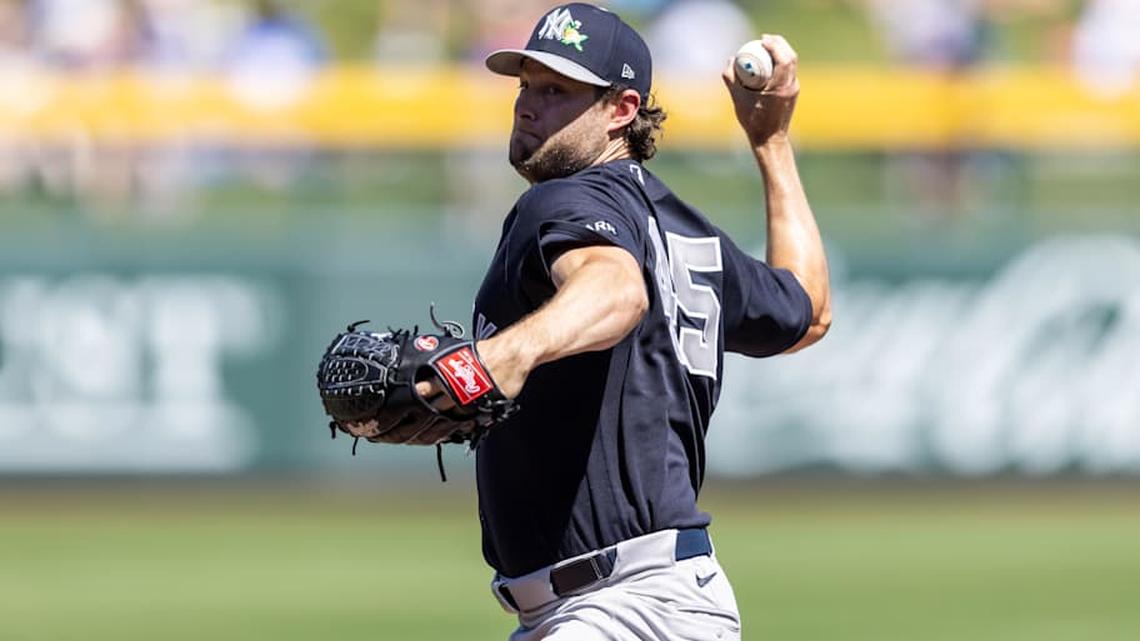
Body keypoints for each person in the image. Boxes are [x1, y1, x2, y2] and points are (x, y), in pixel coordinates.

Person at [352, 2, 830, 639]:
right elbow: (808, 310)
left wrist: (503, 358)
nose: (527, 104)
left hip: (619, 605)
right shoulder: (685, 231)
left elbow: (616, 290)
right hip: (649, 603)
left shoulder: (565, 197)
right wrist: (770, 143)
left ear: (622, 110)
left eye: (556, 90)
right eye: (525, 85)